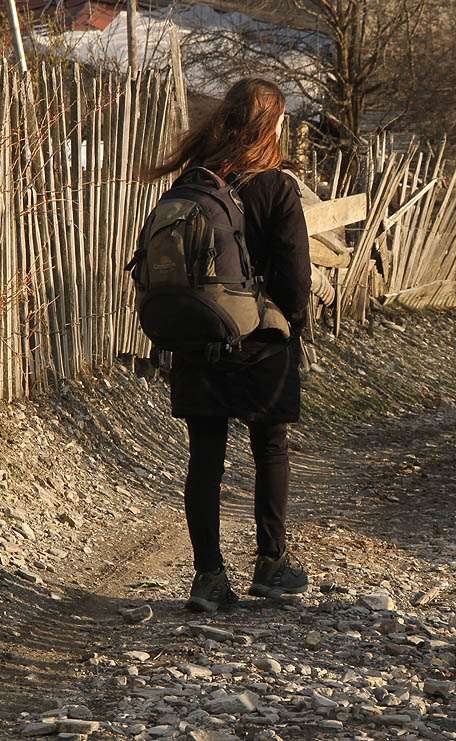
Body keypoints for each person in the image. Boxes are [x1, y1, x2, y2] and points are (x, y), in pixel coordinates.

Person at [141, 78, 311, 612]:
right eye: (282, 119)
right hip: (261, 343)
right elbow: (295, 281)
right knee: (270, 449)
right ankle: (271, 563)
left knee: (205, 460)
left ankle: (209, 577)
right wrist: (291, 328)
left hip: (199, 338)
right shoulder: (277, 188)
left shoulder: (193, 185)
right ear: (268, 125)